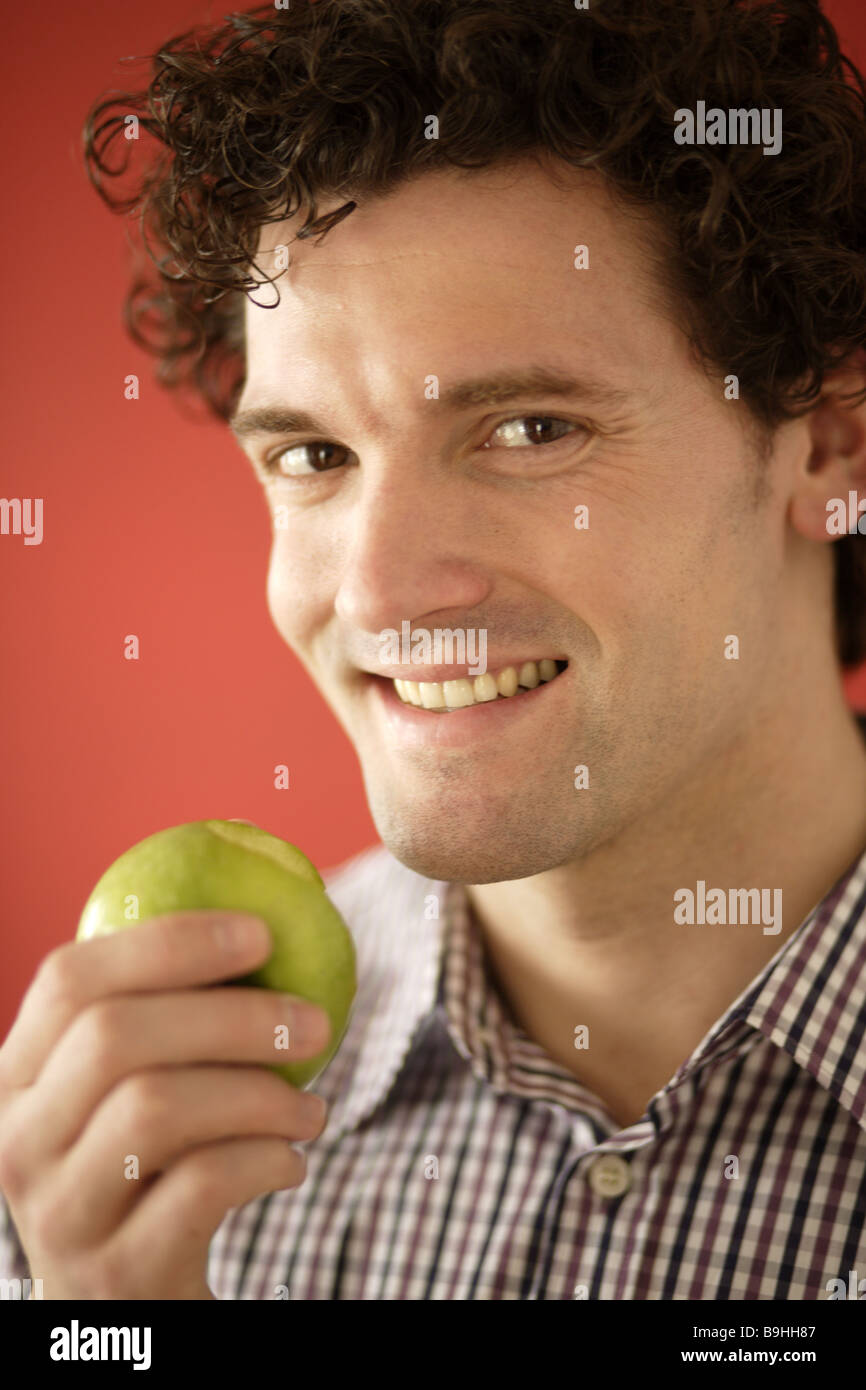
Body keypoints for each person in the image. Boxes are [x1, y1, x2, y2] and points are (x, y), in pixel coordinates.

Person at [2, 0, 866, 1301]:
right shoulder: (128, 1161)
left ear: (832, 443)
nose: (380, 588)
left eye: (527, 429)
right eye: (314, 456)